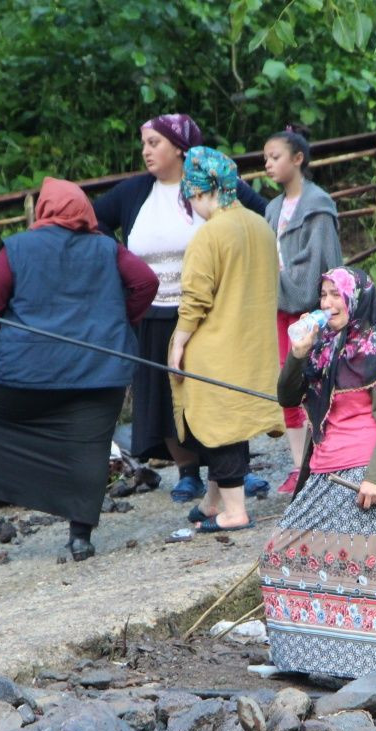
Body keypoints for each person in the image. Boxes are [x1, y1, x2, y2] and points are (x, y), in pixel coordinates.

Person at [0, 178, 158, 562]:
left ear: (45, 210)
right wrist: (122, 322)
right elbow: (145, 281)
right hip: (99, 370)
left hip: (25, 370)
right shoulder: (108, 249)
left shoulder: (18, 248)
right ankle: (79, 538)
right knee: (87, 449)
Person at [93, 113, 271, 503]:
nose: (146, 152)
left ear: (178, 147)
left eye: (154, 143)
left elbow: (264, 213)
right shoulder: (133, 192)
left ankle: (234, 475)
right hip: (153, 309)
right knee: (163, 395)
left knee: (216, 391)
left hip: (210, 311)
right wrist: (119, 260)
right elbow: (95, 220)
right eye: (143, 144)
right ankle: (188, 472)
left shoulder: (215, 184)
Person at [261, 266, 376, 678]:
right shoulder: (322, 346)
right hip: (322, 475)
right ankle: (305, 662)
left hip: (367, 477)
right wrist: (298, 354)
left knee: (366, 576)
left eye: (337, 294)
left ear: (357, 298)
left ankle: (371, 673)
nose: (328, 303)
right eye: (324, 295)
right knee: (281, 555)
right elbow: (287, 396)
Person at [168, 146, 284, 532]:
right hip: (253, 344)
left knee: (219, 426)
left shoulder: (210, 234)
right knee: (231, 422)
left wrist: (179, 343)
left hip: (217, 346)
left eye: (192, 198)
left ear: (202, 193)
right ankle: (215, 499)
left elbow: (195, 299)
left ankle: (235, 511)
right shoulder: (260, 225)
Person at [263, 126, 343, 495]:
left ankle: (325, 463)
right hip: (280, 307)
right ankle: (299, 467)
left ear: (298, 159)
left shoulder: (318, 204)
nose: (268, 164)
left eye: (275, 157)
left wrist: (325, 305)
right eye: (265, 158)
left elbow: (327, 262)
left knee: (320, 382)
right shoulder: (272, 208)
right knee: (288, 382)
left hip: (312, 309)